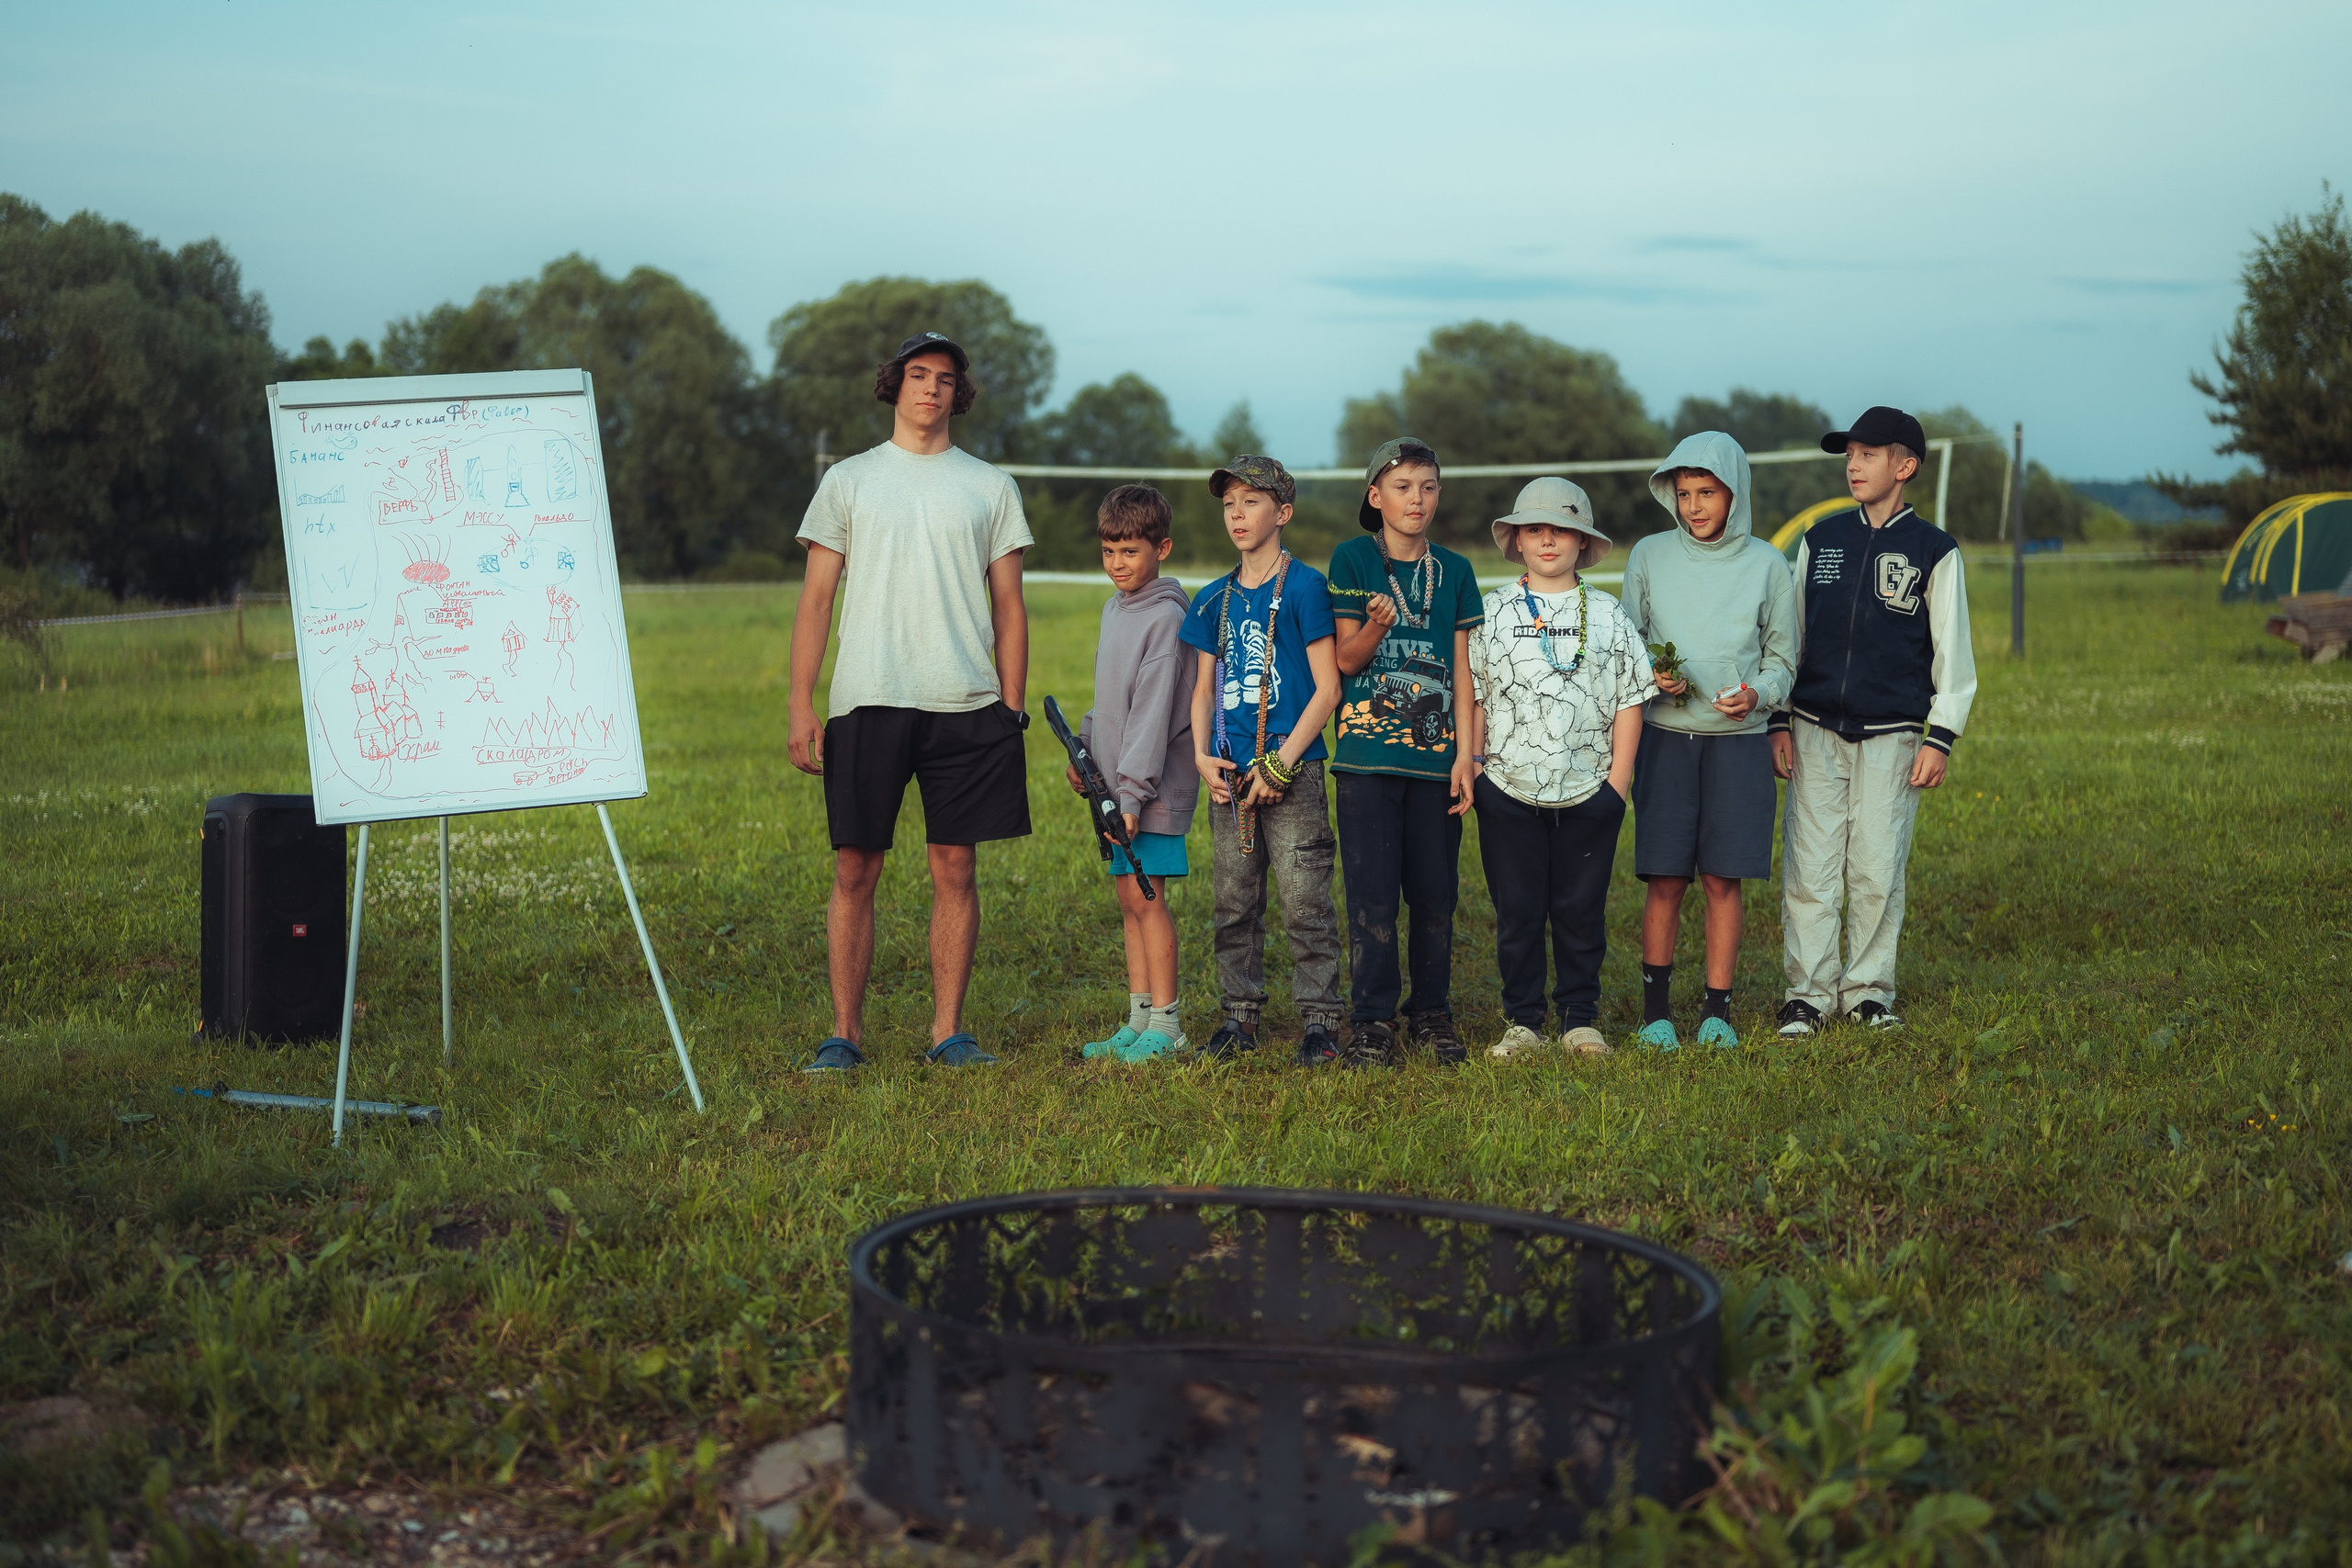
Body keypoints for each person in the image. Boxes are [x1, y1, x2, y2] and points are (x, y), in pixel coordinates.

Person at [787, 332, 1034, 1072]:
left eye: (945, 379)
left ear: (960, 394)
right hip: (868, 697)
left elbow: (1011, 606)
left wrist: (1011, 706)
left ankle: (947, 1032)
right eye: (918, 375)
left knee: (955, 866)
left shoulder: (991, 486)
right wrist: (802, 703)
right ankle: (844, 1035)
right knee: (854, 868)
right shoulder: (850, 480)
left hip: (966, 701)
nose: (931, 389)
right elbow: (818, 597)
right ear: (894, 385)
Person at [1769, 407, 1977, 1036]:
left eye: (1868, 453)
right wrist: (1778, 719)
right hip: (1812, 725)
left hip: (1894, 735)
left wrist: (1941, 735)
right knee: (1812, 862)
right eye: (1849, 454)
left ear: (1905, 465)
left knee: (1877, 865)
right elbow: (1789, 637)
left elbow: (1954, 654)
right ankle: (1806, 994)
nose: (1854, 464)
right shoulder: (1820, 541)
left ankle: (1867, 992)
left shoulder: (1935, 552)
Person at [1620, 433, 1799, 1050]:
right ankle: (1655, 1013)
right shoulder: (1648, 555)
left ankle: (1716, 1011)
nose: (1694, 506)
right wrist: (1653, 673)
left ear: (1735, 493)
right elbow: (1630, 640)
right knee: (1665, 878)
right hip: (1666, 740)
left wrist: (1758, 695)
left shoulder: (1769, 565)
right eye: (1685, 493)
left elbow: (1783, 660)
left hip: (1739, 743)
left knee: (1724, 878)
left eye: (1708, 493)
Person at [1464, 479, 1653, 1058]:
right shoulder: (1490, 611)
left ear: (1582, 542)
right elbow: (1474, 694)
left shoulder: (1607, 612)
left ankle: (1579, 1017)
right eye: (1535, 530)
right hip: (1506, 784)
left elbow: (1630, 696)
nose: (1548, 541)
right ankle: (1523, 1021)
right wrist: (1474, 766)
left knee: (1580, 908)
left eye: (1561, 530)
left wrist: (1616, 785)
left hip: (1589, 786)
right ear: (1517, 540)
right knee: (1517, 909)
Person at [1179, 456, 1346, 1065]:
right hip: (1230, 773)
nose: (1238, 515)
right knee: (1233, 902)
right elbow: (1203, 689)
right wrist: (1202, 755)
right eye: (1229, 504)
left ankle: (1321, 1022)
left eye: (1251, 502)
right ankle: (1239, 1017)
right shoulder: (1212, 599)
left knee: (1305, 900)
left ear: (1283, 512)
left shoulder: (1305, 587)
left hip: (1292, 770)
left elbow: (1327, 688)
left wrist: (1282, 762)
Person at [1326, 438, 1484, 1067]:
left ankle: (1432, 1012)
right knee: (1371, 893)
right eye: (1402, 487)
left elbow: (1465, 674)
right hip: (1366, 760)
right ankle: (1371, 1018)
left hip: (1436, 760)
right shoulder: (1353, 559)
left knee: (1436, 892)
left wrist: (1466, 758)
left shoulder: (1456, 569)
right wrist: (1378, 624)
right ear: (1375, 496)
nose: (1416, 499)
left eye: (1427, 486)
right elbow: (1344, 659)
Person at [1069, 484, 1198, 1064]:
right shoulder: (1115, 609)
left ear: (1161, 548)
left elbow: (1151, 717)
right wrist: (1090, 754)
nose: (1117, 564)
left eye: (1130, 552)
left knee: (1150, 902)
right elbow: (1111, 698)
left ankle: (1168, 1027)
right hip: (1117, 788)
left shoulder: (1167, 619)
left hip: (1151, 793)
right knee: (1128, 900)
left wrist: (1131, 794)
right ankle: (1139, 1020)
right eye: (1109, 551)